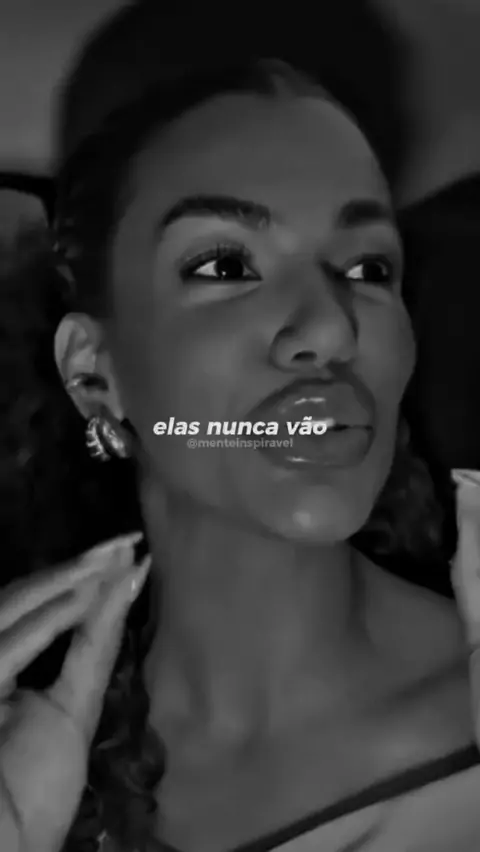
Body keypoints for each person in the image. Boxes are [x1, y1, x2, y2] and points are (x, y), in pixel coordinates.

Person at [1, 3, 480, 851]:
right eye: (226, 264)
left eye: (368, 266)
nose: (331, 328)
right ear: (94, 372)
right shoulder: (32, 771)